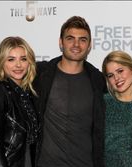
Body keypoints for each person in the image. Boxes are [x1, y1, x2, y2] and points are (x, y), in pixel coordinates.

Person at [33, 16, 107, 167]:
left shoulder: (98, 80)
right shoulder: (39, 74)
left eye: (82, 40)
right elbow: (10, 88)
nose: (76, 44)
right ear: (61, 42)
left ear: (89, 45)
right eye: (70, 38)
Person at [0, 36, 39, 167]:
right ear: (1, 62)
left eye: (23, 59)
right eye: (11, 59)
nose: (18, 65)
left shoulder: (25, 94)